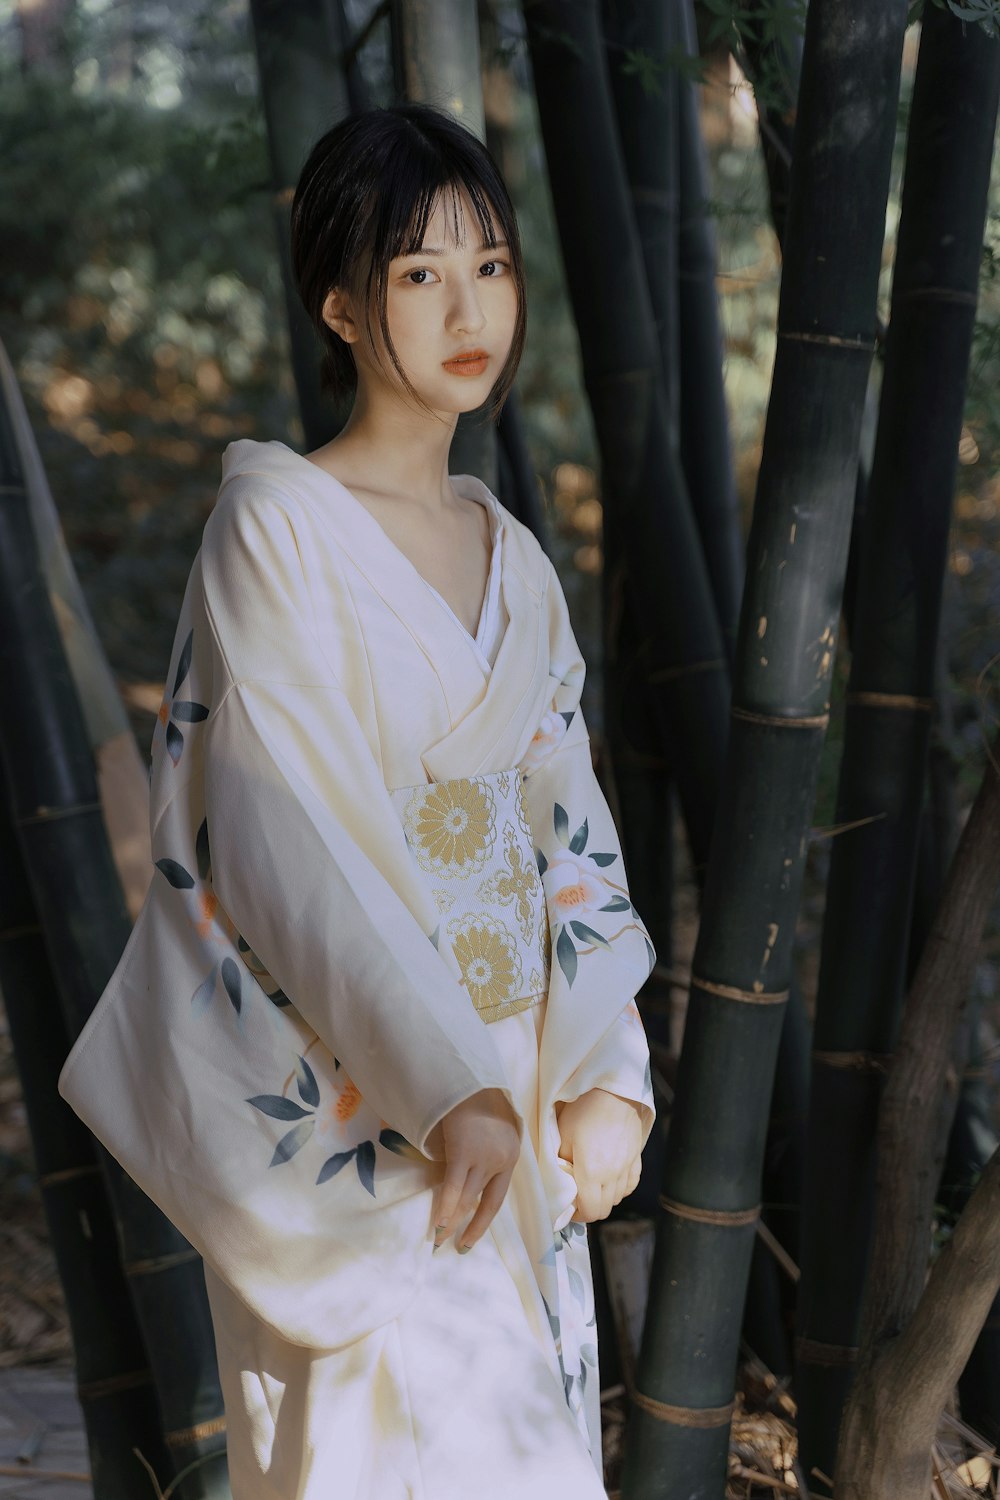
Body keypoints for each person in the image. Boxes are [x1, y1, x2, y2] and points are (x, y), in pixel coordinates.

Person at [59, 103, 655, 1499]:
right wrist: (442, 1086)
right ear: (338, 302)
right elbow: (277, 835)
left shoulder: (515, 558)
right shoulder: (275, 526)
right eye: (418, 272)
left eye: (493, 265)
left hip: (510, 1067)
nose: (469, 308)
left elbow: (567, 831)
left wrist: (605, 1077)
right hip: (355, 1086)